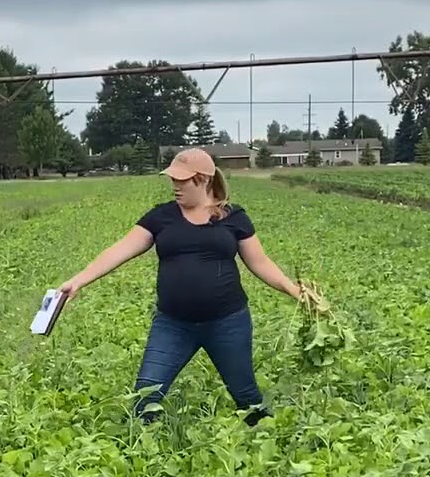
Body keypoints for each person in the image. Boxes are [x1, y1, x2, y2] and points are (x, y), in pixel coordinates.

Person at [58, 147, 304, 426]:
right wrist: (79, 280)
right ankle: (144, 451)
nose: (175, 185)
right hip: (173, 325)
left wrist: (294, 290)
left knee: (247, 397)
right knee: (145, 396)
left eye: (182, 180)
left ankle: (270, 439)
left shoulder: (233, 218)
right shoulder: (161, 217)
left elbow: (260, 263)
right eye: (173, 179)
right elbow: (119, 250)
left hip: (228, 323)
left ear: (204, 180)